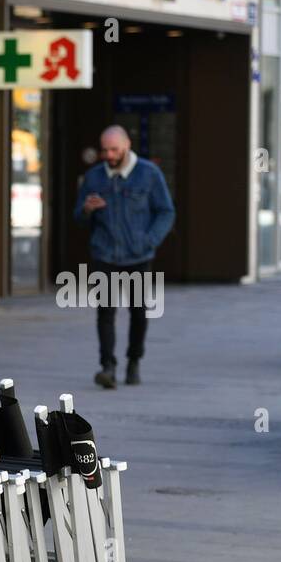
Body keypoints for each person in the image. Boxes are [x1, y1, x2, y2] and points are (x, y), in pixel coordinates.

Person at [73, 125, 174, 388]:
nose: (108, 155)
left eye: (114, 149)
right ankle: (108, 367)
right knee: (105, 312)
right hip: (104, 255)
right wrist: (86, 209)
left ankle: (133, 361)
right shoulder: (94, 177)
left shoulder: (149, 174)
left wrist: (148, 241)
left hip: (137, 256)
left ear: (127, 145)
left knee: (138, 312)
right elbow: (78, 218)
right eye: (104, 150)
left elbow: (166, 211)